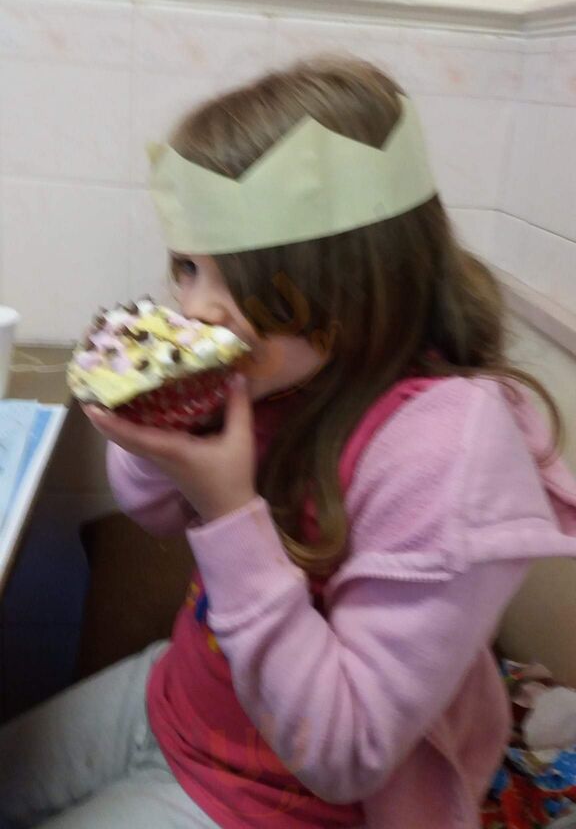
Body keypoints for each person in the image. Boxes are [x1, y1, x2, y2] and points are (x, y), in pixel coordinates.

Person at [1, 55, 576, 829]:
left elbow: (344, 756)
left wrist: (228, 507)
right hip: (178, 698)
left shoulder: (449, 452)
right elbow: (153, 511)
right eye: (187, 268)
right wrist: (156, 426)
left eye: (238, 280)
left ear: (352, 282)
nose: (198, 310)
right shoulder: (278, 375)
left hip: (281, 801)